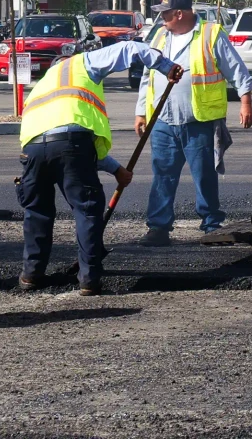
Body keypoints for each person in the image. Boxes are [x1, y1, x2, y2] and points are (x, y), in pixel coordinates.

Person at [17, 40, 183, 295]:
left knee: (37, 212)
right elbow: (130, 49)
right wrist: (165, 66)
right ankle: (89, 279)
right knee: (86, 210)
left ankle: (31, 274)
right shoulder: (81, 64)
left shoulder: (42, 86)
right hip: (73, 145)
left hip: (33, 149)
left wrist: (117, 170)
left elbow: (64, 139)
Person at [134, 0, 252, 246]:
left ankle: (211, 225)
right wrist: (140, 111)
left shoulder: (210, 34)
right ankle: (158, 228)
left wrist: (246, 101)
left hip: (198, 119)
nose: (162, 18)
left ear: (180, 13)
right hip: (163, 120)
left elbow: (237, 69)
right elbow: (147, 77)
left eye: (165, 13)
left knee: (204, 174)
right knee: (163, 174)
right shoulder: (159, 36)